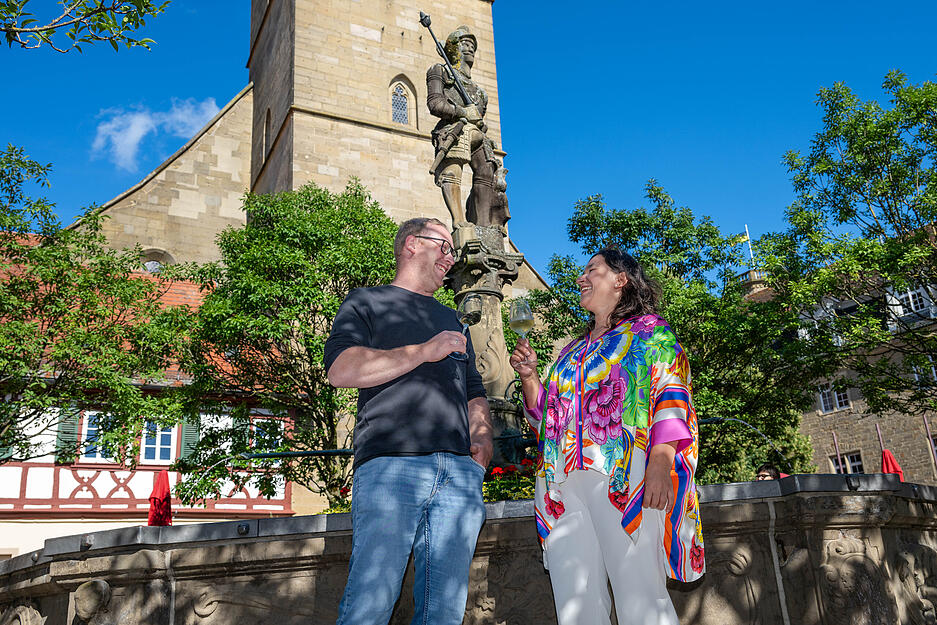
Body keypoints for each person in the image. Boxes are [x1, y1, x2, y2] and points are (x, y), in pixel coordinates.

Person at [510, 247, 704, 625]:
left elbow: (672, 392)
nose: (581, 278)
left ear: (621, 279)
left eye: (592, 270)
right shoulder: (572, 350)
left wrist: (661, 462)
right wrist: (531, 376)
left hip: (625, 477)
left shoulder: (651, 332)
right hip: (561, 485)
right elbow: (546, 420)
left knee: (640, 596)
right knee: (574, 604)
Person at [325, 217, 494, 625]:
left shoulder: (454, 320)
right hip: (390, 464)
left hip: (458, 472)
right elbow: (341, 370)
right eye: (445, 247)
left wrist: (482, 440)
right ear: (412, 245)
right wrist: (422, 351)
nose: (451, 259)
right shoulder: (365, 302)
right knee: (371, 601)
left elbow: (473, 388)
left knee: (445, 612)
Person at [426, 25, 507, 228]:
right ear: (453, 48)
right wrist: (462, 112)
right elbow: (435, 104)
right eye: (464, 44)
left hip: (476, 133)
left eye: (472, 45)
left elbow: (479, 120)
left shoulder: (480, 92)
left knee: (488, 172)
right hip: (454, 129)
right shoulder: (440, 71)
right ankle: (459, 221)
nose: (470, 49)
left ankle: (483, 225)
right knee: (453, 170)